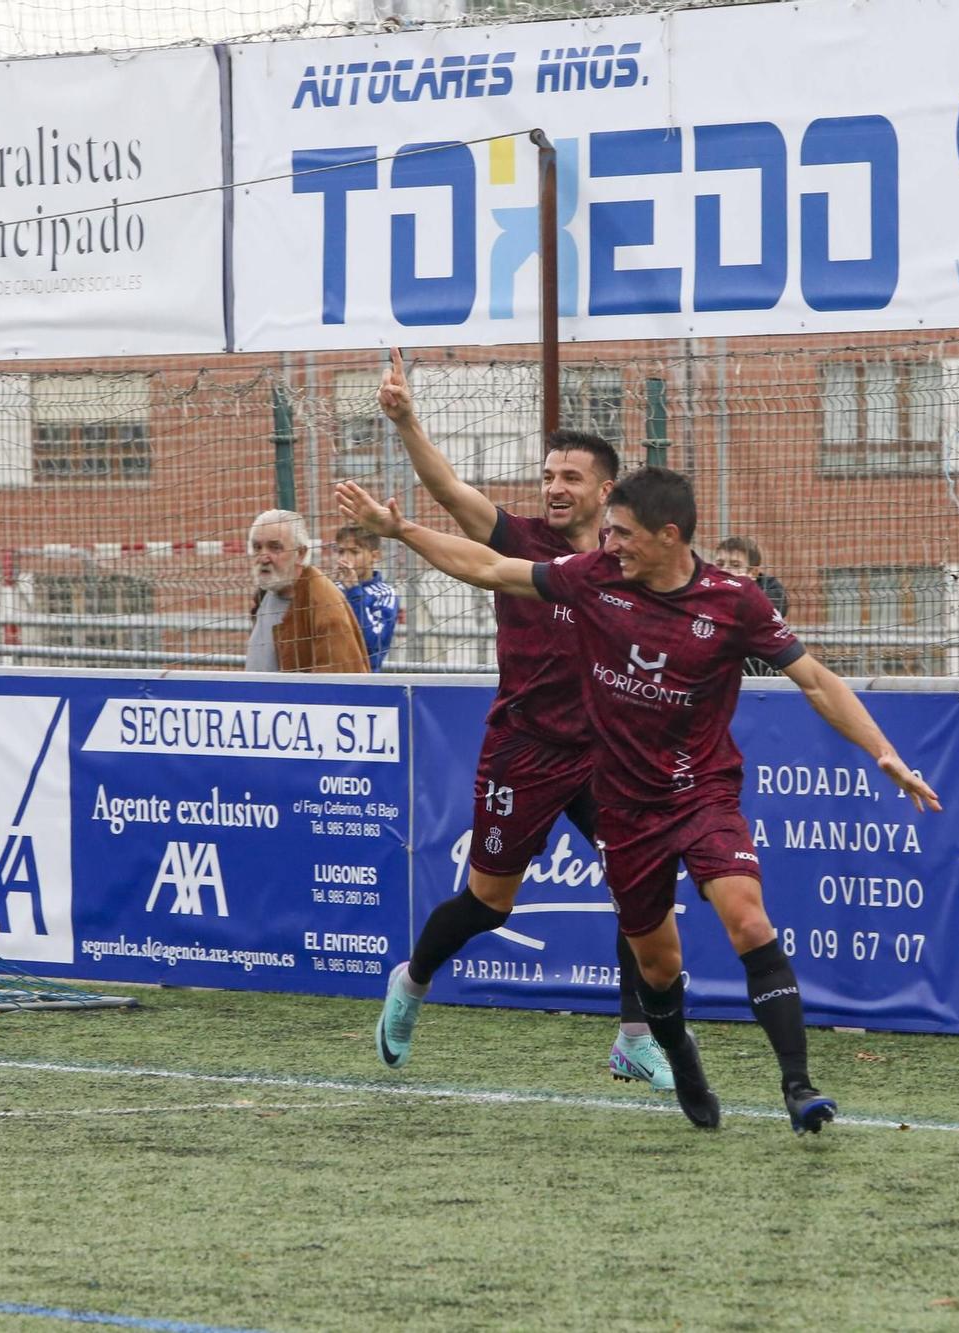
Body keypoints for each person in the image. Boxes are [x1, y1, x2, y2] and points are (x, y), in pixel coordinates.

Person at [339, 465, 939, 1134]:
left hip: (703, 793)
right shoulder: (594, 577)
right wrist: (403, 529)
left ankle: (799, 1087)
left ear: (668, 535)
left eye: (622, 533)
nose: (610, 543)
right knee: (657, 963)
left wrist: (883, 750)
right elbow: (492, 569)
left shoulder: (734, 601)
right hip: (622, 802)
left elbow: (817, 679)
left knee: (748, 919)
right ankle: (675, 1048)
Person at [367, 348, 671, 1092]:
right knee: (486, 902)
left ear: (607, 489)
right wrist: (408, 423)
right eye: (547, 476)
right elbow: (447, 489)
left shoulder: (631, 555)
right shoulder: (520, 541)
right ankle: (412, 980)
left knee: (642, 882)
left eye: (570, 477)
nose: (554, 488)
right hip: (526, 750)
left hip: (605, 753)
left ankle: (636, 1036)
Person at [246, 509, 368, 673]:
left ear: (300, 553)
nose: (263, 557)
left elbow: (337, 685)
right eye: (257, 547)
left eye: (275, 547)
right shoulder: (268, 590)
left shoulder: (323, 605)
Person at [333, 525, 399, 670]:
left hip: (365, 678)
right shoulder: (332, 589)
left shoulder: (384, 594)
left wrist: (354, 592)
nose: (345, 560)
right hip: (329, 675)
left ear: (374, 556)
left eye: (354, 552)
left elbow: (374, 645)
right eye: (341, 552)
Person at [712, 536, 789, 616]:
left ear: (753, 573)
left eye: (735, 565)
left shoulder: (770, 587)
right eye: (719, 564)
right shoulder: (706, 584)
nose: (724, 570)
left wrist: (744, 589)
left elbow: (771, 613)